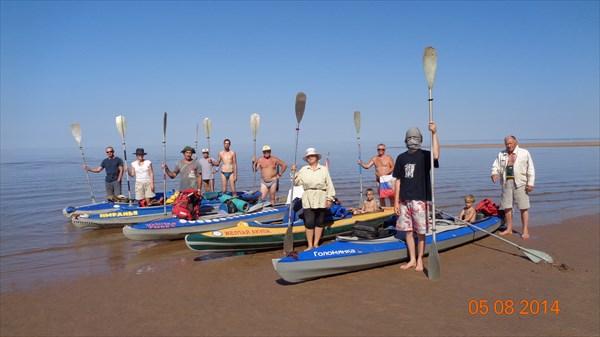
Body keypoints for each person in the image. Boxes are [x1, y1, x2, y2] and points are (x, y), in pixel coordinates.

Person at [393, 123, 439, 272]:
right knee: (407, 231)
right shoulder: (401, 157)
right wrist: (396, 202)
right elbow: (398, 180)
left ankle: (420, 259)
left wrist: (434, 133)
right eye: (409, 137)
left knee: (420, 232)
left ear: (420, 139)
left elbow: (436, 155)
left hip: (420, 198)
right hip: (404, 200)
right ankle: (412, 259)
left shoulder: (425, 156)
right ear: (405, 140)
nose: (412, 140)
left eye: (415, 137)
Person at [291, 148, 336, 251]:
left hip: (321, 197)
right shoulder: (303, 169)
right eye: (308, 156)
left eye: (312, 156)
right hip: (308, 198)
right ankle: (310, 245)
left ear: (316, 157)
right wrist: (293, 172)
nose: (310, 157)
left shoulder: (324, 169)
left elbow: (329, 184)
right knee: (309, 222)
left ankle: (316, 244)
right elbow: (296, 183)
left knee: (320, 222)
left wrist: (330, 199)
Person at [491, 135, 535, 239]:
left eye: (510, 143)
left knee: (523, 207)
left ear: (516, 142)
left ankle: (525, 230)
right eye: (507, 144)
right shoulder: (501, 154)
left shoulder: (524, 153)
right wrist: (494, 174)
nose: (509, 145)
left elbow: (531, 169)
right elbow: (495, 166)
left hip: (520, 183)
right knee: (507, 207)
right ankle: (509, 228)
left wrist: (531, 183)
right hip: (506, 182)